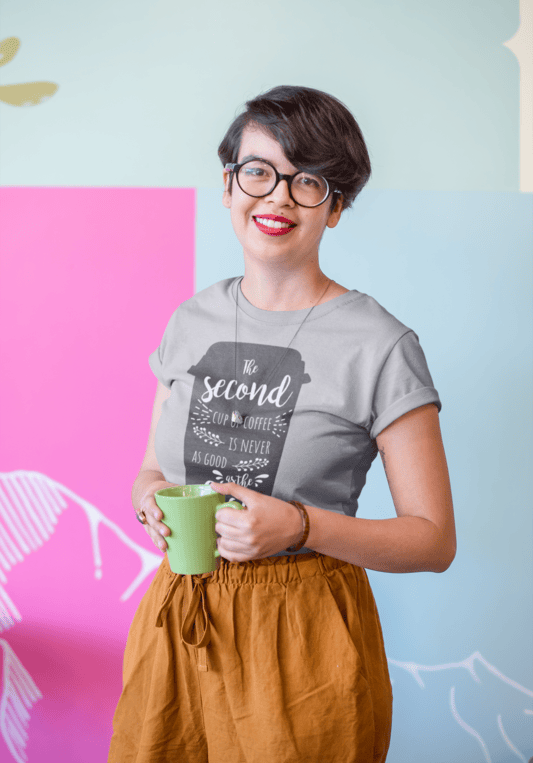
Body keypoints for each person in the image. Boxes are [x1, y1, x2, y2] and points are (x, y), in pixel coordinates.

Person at [107, 85, 456, 763]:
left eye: (308, 181)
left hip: (303, 638)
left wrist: (299, 526)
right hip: (178, 618)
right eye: (258, 172)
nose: (277, 198)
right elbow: (152, 468)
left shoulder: (380, 344)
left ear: (336, 206)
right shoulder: (191, 320)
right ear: (228, 185)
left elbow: (433, 540)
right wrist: (148, 498)